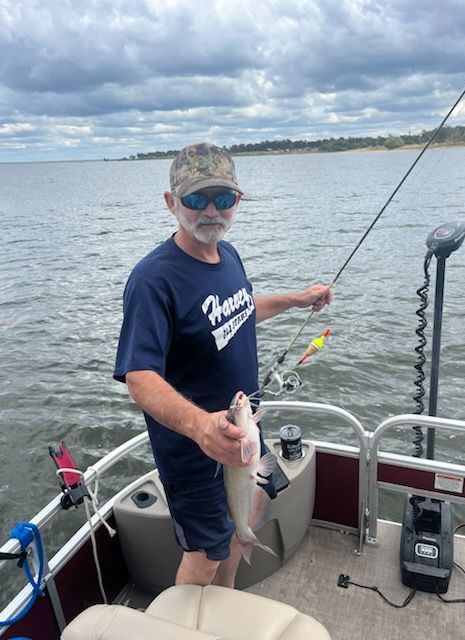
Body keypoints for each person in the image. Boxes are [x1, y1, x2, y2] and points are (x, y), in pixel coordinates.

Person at [114, 142, 332, 588]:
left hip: (243, 426)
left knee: (244, 523)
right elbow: (139, 376)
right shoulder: (153, 279)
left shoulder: (227, 255)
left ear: (238, 202)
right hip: (197, 453)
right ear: (171, 203)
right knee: (204, 555)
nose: (210, 211)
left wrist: (296, 300)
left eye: (223, 198)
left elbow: (240, 310)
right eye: (196, 199)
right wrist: (201, 429)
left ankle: (227, 608)